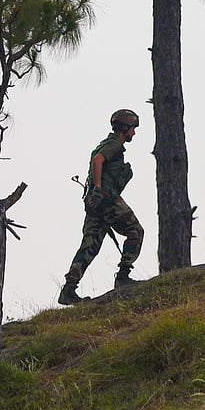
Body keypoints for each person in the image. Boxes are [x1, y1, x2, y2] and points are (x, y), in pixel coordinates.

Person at [58, 109, 145, 305]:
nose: (134, 133)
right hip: (106, 199)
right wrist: (98, 189)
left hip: (95, 204)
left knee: (90, 245)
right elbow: (98, 160)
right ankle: (123, 276)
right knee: (136, 232)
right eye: (133, 129)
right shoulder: (115, 143)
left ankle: (68, 289)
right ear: (125, 128)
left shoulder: (106, 143)